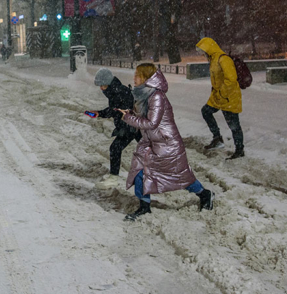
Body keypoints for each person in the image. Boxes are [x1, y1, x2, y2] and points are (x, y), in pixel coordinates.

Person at [118, 63, 214, 221]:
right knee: (140, 173)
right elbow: (144, 119)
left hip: (167, 145)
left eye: (137, 75)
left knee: (180, 177)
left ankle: (205, 194)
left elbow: (151, 123)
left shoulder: (156, 96)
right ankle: (144, 208)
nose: (134, 78)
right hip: (153, 143)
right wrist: (130, 113)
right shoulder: (144, 94)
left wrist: (128, 118)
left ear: (146, 78)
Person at [86, 68, 141, 189]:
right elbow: (115, 110)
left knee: (115, 148)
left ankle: (113, 178)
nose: (101, 88)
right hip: (134, 126)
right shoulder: (115, 91)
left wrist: (100, 113)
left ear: (108, 83)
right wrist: (100, 113)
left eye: (102, 85)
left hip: (131, 126)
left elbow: (116, 110)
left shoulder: (119, 92)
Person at [196, 37, 245, 160]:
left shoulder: (224, 59)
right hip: (218, 96)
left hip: (229, 97)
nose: (203, 54)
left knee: (234, 125)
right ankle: (217, 138)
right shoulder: (213, 59)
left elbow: (231, 79)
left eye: (203, 51)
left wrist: (222, 94)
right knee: (206, 111)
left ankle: (239, 150)